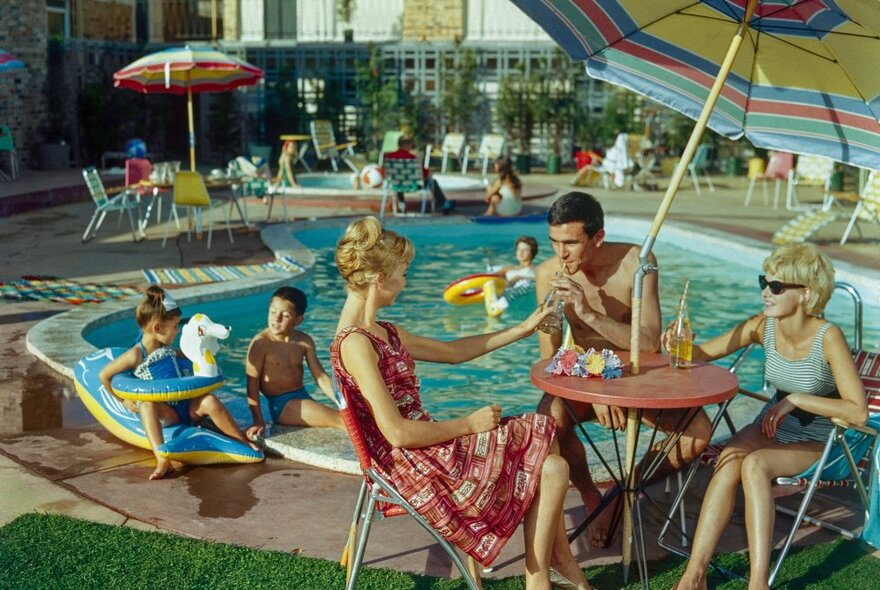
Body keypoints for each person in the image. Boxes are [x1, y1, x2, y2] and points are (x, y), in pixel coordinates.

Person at [330, 216, 592, 590]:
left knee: (550, 457)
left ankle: (548, 572)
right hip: (413, 464)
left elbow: (453, 352)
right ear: (378, 278)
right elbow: (398, 433)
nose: (405, 282)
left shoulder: (382, 332)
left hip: (426, 446)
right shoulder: (355, 343)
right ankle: (549, 572)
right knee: (546, 448)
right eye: (403, 273)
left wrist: (522, 329)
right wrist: (469, 425)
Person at [672, 243, 867, 590]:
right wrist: (678, 342)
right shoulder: (763, 327)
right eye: (764, 281)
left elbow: (857, 410)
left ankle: (758, 582)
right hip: (775, 423)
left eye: (776, 287)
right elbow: (702, 354)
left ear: (806, 293)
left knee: (755, 465)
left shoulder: (828, 337)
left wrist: (795, 398)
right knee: (729, 460)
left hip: (826, 438)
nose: (765, 291)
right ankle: (694, 575)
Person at [535, 191, 711, 548]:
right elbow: (549, 362)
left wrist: (587, 313)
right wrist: (598, 386)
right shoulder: (548, 274)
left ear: (597, 237)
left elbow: (647, 342)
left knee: (698, 432)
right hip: (587, 380)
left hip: (637, 379)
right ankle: (589, 495)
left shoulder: (637, 263)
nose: (561, 254)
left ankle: (622, 490)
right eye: (554, 242)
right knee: (548, 420)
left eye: (570, 243)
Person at [98, 286, 258, 480]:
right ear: (157, 328)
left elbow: (186, 356)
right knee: (147, 405)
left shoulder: (166, 347)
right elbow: (104, 376)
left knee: (209, 400)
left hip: (186, 405)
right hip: (168, 413)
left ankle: (240, 441)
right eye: (174, 326)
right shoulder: (136, 354)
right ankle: (162, 460)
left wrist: (202, 353)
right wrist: (123, 400)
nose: (177, 330)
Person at [245, 286, 343, 439]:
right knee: (343, 420)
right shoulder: (261, 344)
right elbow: (252, 385)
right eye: (272, 312)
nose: (276, 319)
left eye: (284, 315)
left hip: (302, 397)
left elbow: (320, 377)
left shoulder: (304, 341)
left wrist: (343, 402)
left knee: (350, 415)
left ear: (298, 320)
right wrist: (258, 420)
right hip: (282, 404)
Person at [383, 136, 453, 214]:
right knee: (432, 182)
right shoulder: (412, 158)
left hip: (395, 185)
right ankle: (444, 204)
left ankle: (402, 205)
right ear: (408, 145)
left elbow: (386, 172)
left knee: (399, 180)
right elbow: (423, 173)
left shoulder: (389, 157)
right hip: (414, 185)